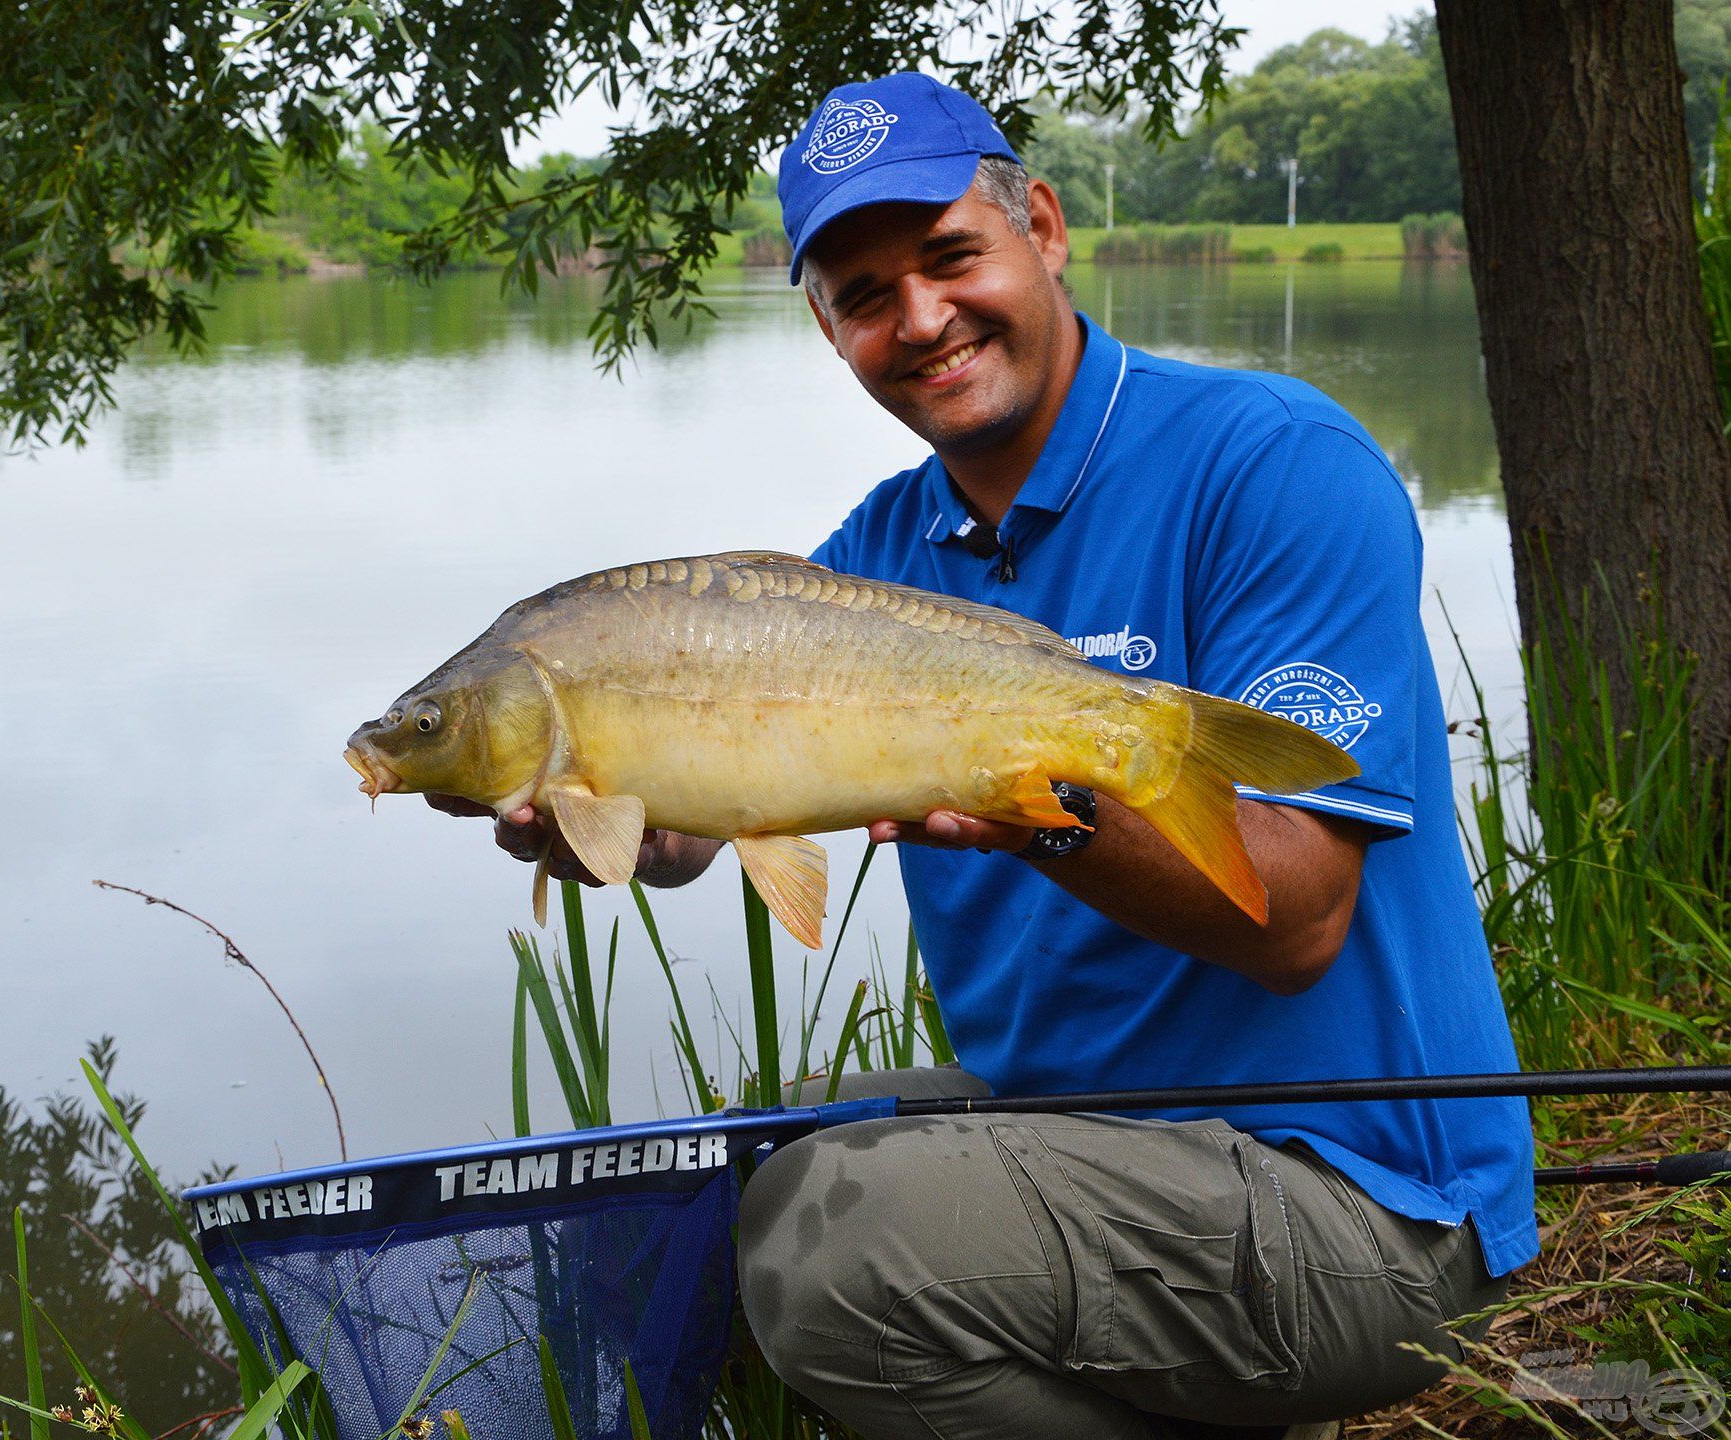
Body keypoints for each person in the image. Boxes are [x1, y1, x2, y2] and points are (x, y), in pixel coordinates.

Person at [431, 71, 1537, 1440]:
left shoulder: (1277, 465)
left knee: (836, 1257)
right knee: (711, 1189)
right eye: (864, 295)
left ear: (1046, 229)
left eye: (952, 257)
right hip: (1087, 1135)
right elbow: (703, 827)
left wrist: (1041, 815)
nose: (924, 319)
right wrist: (633, 823)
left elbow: (1299, 919)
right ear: (828, 329)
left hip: (1367, 1200)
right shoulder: (870, 563)